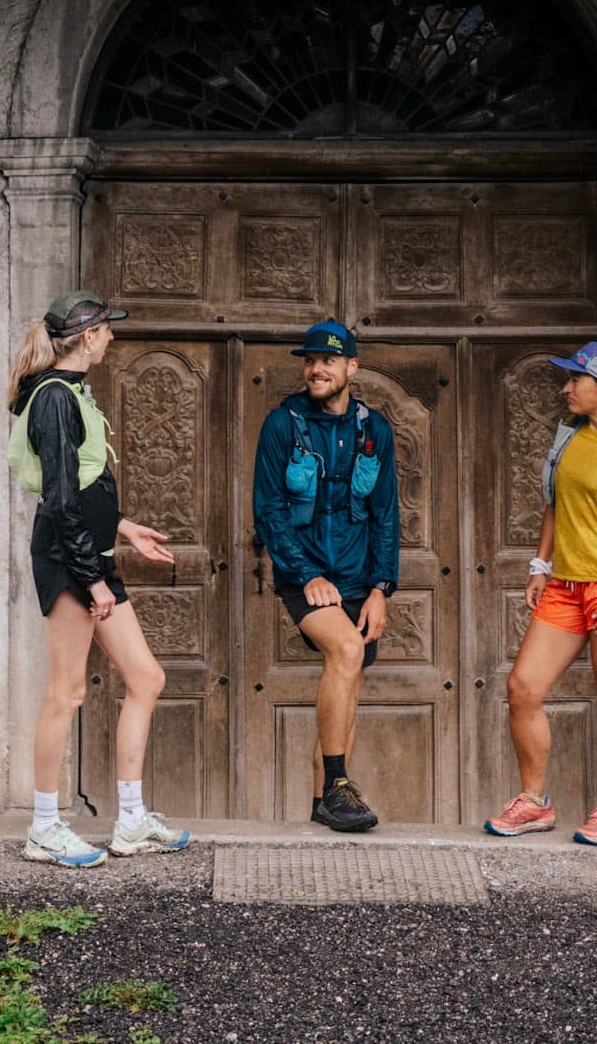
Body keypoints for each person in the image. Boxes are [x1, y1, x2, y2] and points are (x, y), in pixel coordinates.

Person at [7, 290, 192, 867]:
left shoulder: (70, 394)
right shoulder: (55, 400)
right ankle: (43, 826)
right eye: (109, 330)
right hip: (71, 560)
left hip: (92, 552)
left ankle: (131, 821)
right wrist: (93, 581)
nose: (113, 337)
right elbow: (60, 502)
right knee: (67, 692)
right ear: (89, 336)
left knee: (146, 678)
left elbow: (84, 489)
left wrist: (124, 527)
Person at [485, 342, 597, 847]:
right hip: (565, 585)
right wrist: (541, 566)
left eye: (574, 380)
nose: (566, 388)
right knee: (523, 687)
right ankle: (535, 803)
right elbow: (554, 508)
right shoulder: (568, 439)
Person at [251, 320, 400, 832]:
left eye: (328, 360)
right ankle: (339, 784)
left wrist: (382, 588)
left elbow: (385, 514)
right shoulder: (283, 424)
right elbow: (268, 510)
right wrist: (306, 573)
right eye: (310, 360)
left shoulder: (373, 429)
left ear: (351, 367)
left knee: (349, 678)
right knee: (345, 650)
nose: (315, 368)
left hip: (360, 578)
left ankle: (324, 804)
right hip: (304, 574)